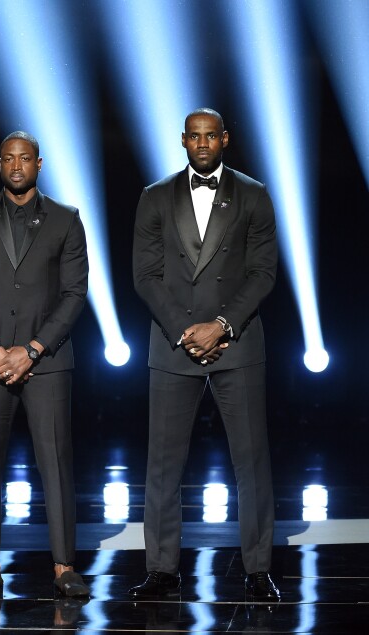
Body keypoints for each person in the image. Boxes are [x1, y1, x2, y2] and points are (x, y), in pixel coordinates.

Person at [130, 108, 279, 600]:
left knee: (251, 461)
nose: (201, 143)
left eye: (209, 136)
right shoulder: (154, 197)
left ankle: (258, 569)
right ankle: (161, 568)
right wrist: (185, 330)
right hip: (174, 345)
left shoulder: (253, 194)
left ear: (225, 140)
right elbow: (145, 276)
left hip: (236, 344)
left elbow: (262, 273)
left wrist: (219, 327)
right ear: (182, 141)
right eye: (193, 136)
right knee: (164, 465)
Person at [0, 131, 90, 598]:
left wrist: (31, 350)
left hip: (46, 361)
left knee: (55, 462)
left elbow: (74, 295)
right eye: (8, 158)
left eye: (24, 158)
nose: (16, 165)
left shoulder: (66, 220)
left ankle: (64, 566)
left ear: (39, 163)